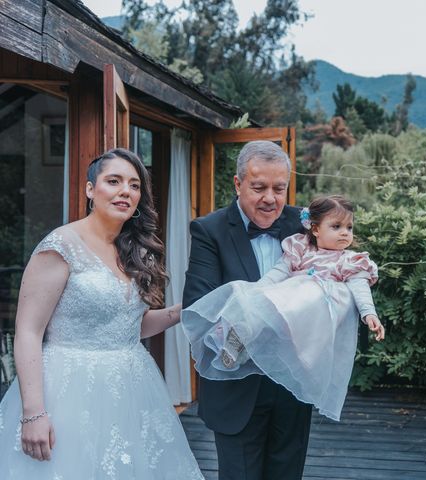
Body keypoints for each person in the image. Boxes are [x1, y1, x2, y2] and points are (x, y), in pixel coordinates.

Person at [0, 149, 203, 479]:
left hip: (132, 388)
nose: (126, 191)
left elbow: (128, 328)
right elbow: (27, 332)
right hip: (69, 391)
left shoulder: (132, 250)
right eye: (114, 181)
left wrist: (182, 312)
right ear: (90, 190)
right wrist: (33, 413)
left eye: (135, 185)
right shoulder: (60, 246)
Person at [182, 194, 385, 421]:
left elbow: (360, 287)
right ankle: (238, 342)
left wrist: (369, 313)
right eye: (336, 226)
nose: (345, 232)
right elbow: (278, 273)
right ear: (315, 229)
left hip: (313, 317)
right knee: (261, 307)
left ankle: (274, 349)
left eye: (349, 227)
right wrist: (254, 295)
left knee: (306, 294)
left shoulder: (350, 260)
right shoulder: (300, 248)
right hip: (289, 307)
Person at [182, 141, 312, 480]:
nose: (270, 198)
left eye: (278, 188)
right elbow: (199, 307)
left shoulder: (305, 225)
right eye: (259, 187)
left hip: (292, 385)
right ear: (238, 184)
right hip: (235, 387)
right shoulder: (208, 230)